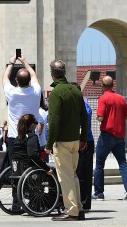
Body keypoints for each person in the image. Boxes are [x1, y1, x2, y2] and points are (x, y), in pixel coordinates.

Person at [45, 60, 87, 222]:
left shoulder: (56, 92)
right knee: (73, 175)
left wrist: (49, 145)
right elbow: (84, 116)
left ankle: (72, 211)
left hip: (62, 140)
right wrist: (83, 138)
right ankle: (78, 207)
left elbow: (54, 120)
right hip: (75, 140)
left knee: (66, 177)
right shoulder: (75, 90)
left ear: (52, 74)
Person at [92, 75, 127, 202]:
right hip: (120, 136)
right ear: (113, 85)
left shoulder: (103, 98)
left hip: (106, 135)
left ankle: (99, 193)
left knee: (99, 164)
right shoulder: (121, 98)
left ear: (102, 85)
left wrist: (97, 117)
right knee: (123, 163)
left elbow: (100, 117)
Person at [2, 54, 43, 165]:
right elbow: (34, 75)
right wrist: (24, 61)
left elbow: (5, 77)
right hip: (31, 137)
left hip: (14, 137)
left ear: (16, 80)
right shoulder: (36, 92)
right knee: (31, 166)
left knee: (15, 169)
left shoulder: (12, 93)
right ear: (29, 80)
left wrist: (11, 63)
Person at [76, 95, 95, 212]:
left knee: (84, 174)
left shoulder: (84, 107)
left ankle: (84, 203)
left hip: (85, 142)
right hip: (78, 142)